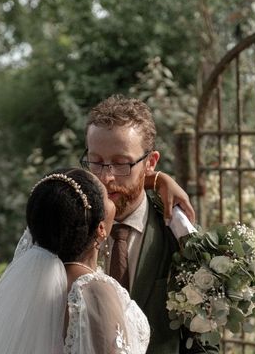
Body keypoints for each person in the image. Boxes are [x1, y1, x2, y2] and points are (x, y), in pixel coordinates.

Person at [0, 168, 150, 354]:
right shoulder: (94, 290)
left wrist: (158, 180)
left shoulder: (30, 286)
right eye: (107, 197)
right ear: (101, 229)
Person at [82, 95, 208, 354]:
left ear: (150, 163)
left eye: (121, 163)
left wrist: (159, 180)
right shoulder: (70, 226)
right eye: (96, 161)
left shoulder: (180, 236)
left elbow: (202, 342)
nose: (106, 177)